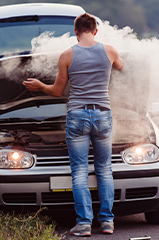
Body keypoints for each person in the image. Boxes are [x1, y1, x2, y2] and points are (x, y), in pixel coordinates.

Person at [23, 13, 123, 237]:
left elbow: (57, 91)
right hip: (103, 115)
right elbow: (121, 67)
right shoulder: (110, 51)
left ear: (75, 31)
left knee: (79, 172)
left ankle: (84, 224)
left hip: (77, 116)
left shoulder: (67, 55)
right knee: (105, 170)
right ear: (96, 30)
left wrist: (40, 86)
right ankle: (107, 222)